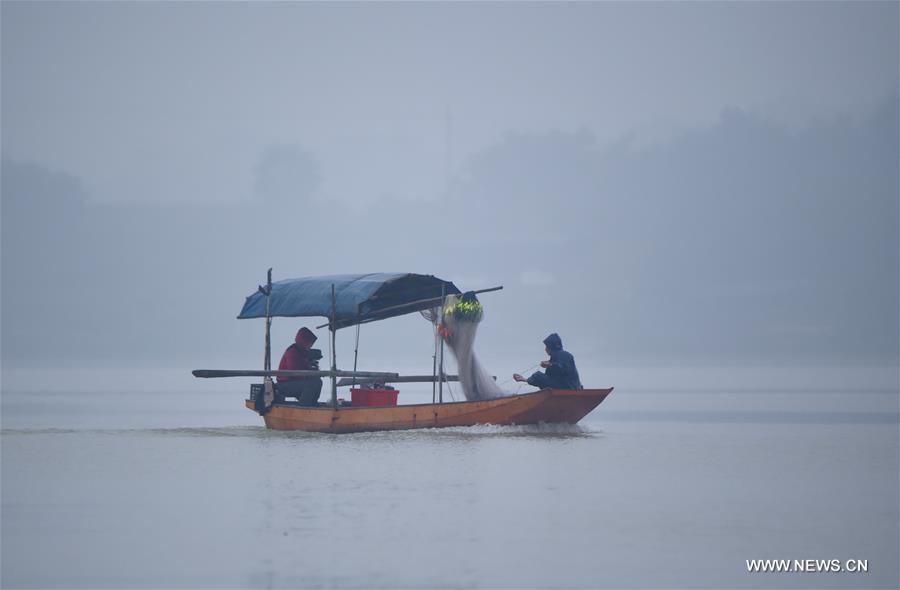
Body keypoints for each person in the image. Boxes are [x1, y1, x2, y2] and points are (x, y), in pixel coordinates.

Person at [513, 332, 583, 390]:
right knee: (541, 377)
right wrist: (550, 364)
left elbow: (563, 367)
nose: (545, 349)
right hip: (572, 386)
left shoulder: (562, 355)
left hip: (567, 387)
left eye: (546, 347)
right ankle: (524, 379)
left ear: (551, 346)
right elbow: (550, 376)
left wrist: (550, 365)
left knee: (537, 375)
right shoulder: (559, 356)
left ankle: (524, 379)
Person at [277, 327, 323, 406]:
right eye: (309, 343)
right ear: (304, 341)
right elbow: (294, 372)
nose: (310, 346)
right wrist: (309, 375)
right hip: (284, 383)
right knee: (311, 384)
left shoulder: (302, 352)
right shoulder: (292, 352)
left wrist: (313, 371)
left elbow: (304, 368)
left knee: (318, 382)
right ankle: (303, 406)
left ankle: (312, 403)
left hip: (295, 382)